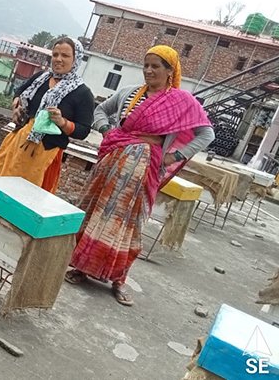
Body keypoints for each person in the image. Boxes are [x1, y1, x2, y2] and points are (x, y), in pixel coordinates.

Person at [65, 45, 214, 306]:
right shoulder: (129, 93)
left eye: (156, 66)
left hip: (143, 170)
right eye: (146, 65)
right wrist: (107, 130)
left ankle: (118, 279)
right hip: (111, 164)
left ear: (170, 71)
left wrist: (174, 156)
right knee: (96, 213)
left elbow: (206, 134)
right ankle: (81, 267)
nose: (149, 70)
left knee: (129, 224)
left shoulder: (182, 102)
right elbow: (101, 111)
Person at [0, 38, 95, 192]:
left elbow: (83, 130)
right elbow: (20, 91)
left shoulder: (82, 93)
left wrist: (62, 122)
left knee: (28, 196)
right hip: (18, 142)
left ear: (76, 59)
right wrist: (17, 104)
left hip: (46, 151)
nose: (58, 59)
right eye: (55, 54)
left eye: (65, 56)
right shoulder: (40, 79)